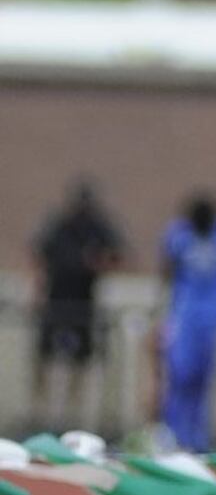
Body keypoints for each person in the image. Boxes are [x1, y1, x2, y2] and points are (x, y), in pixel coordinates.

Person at [157, 192, 216, 451]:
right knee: (179, 374)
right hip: (184, 314)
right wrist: (161, 312)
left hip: (214, 315)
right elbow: (167, 271)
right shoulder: (178, 236)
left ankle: (198, 436)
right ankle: (173, 432)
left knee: (204, 377)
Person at [29, 179, 124, 430]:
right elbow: (40, 256)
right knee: (52, 361)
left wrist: (98, 264)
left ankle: (79, 422)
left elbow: (118, 255)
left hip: (84, 306)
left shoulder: (98, 228)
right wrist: (37, 294)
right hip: (57, 303)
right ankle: (50, 419)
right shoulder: (60, 226)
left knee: (83, 363)